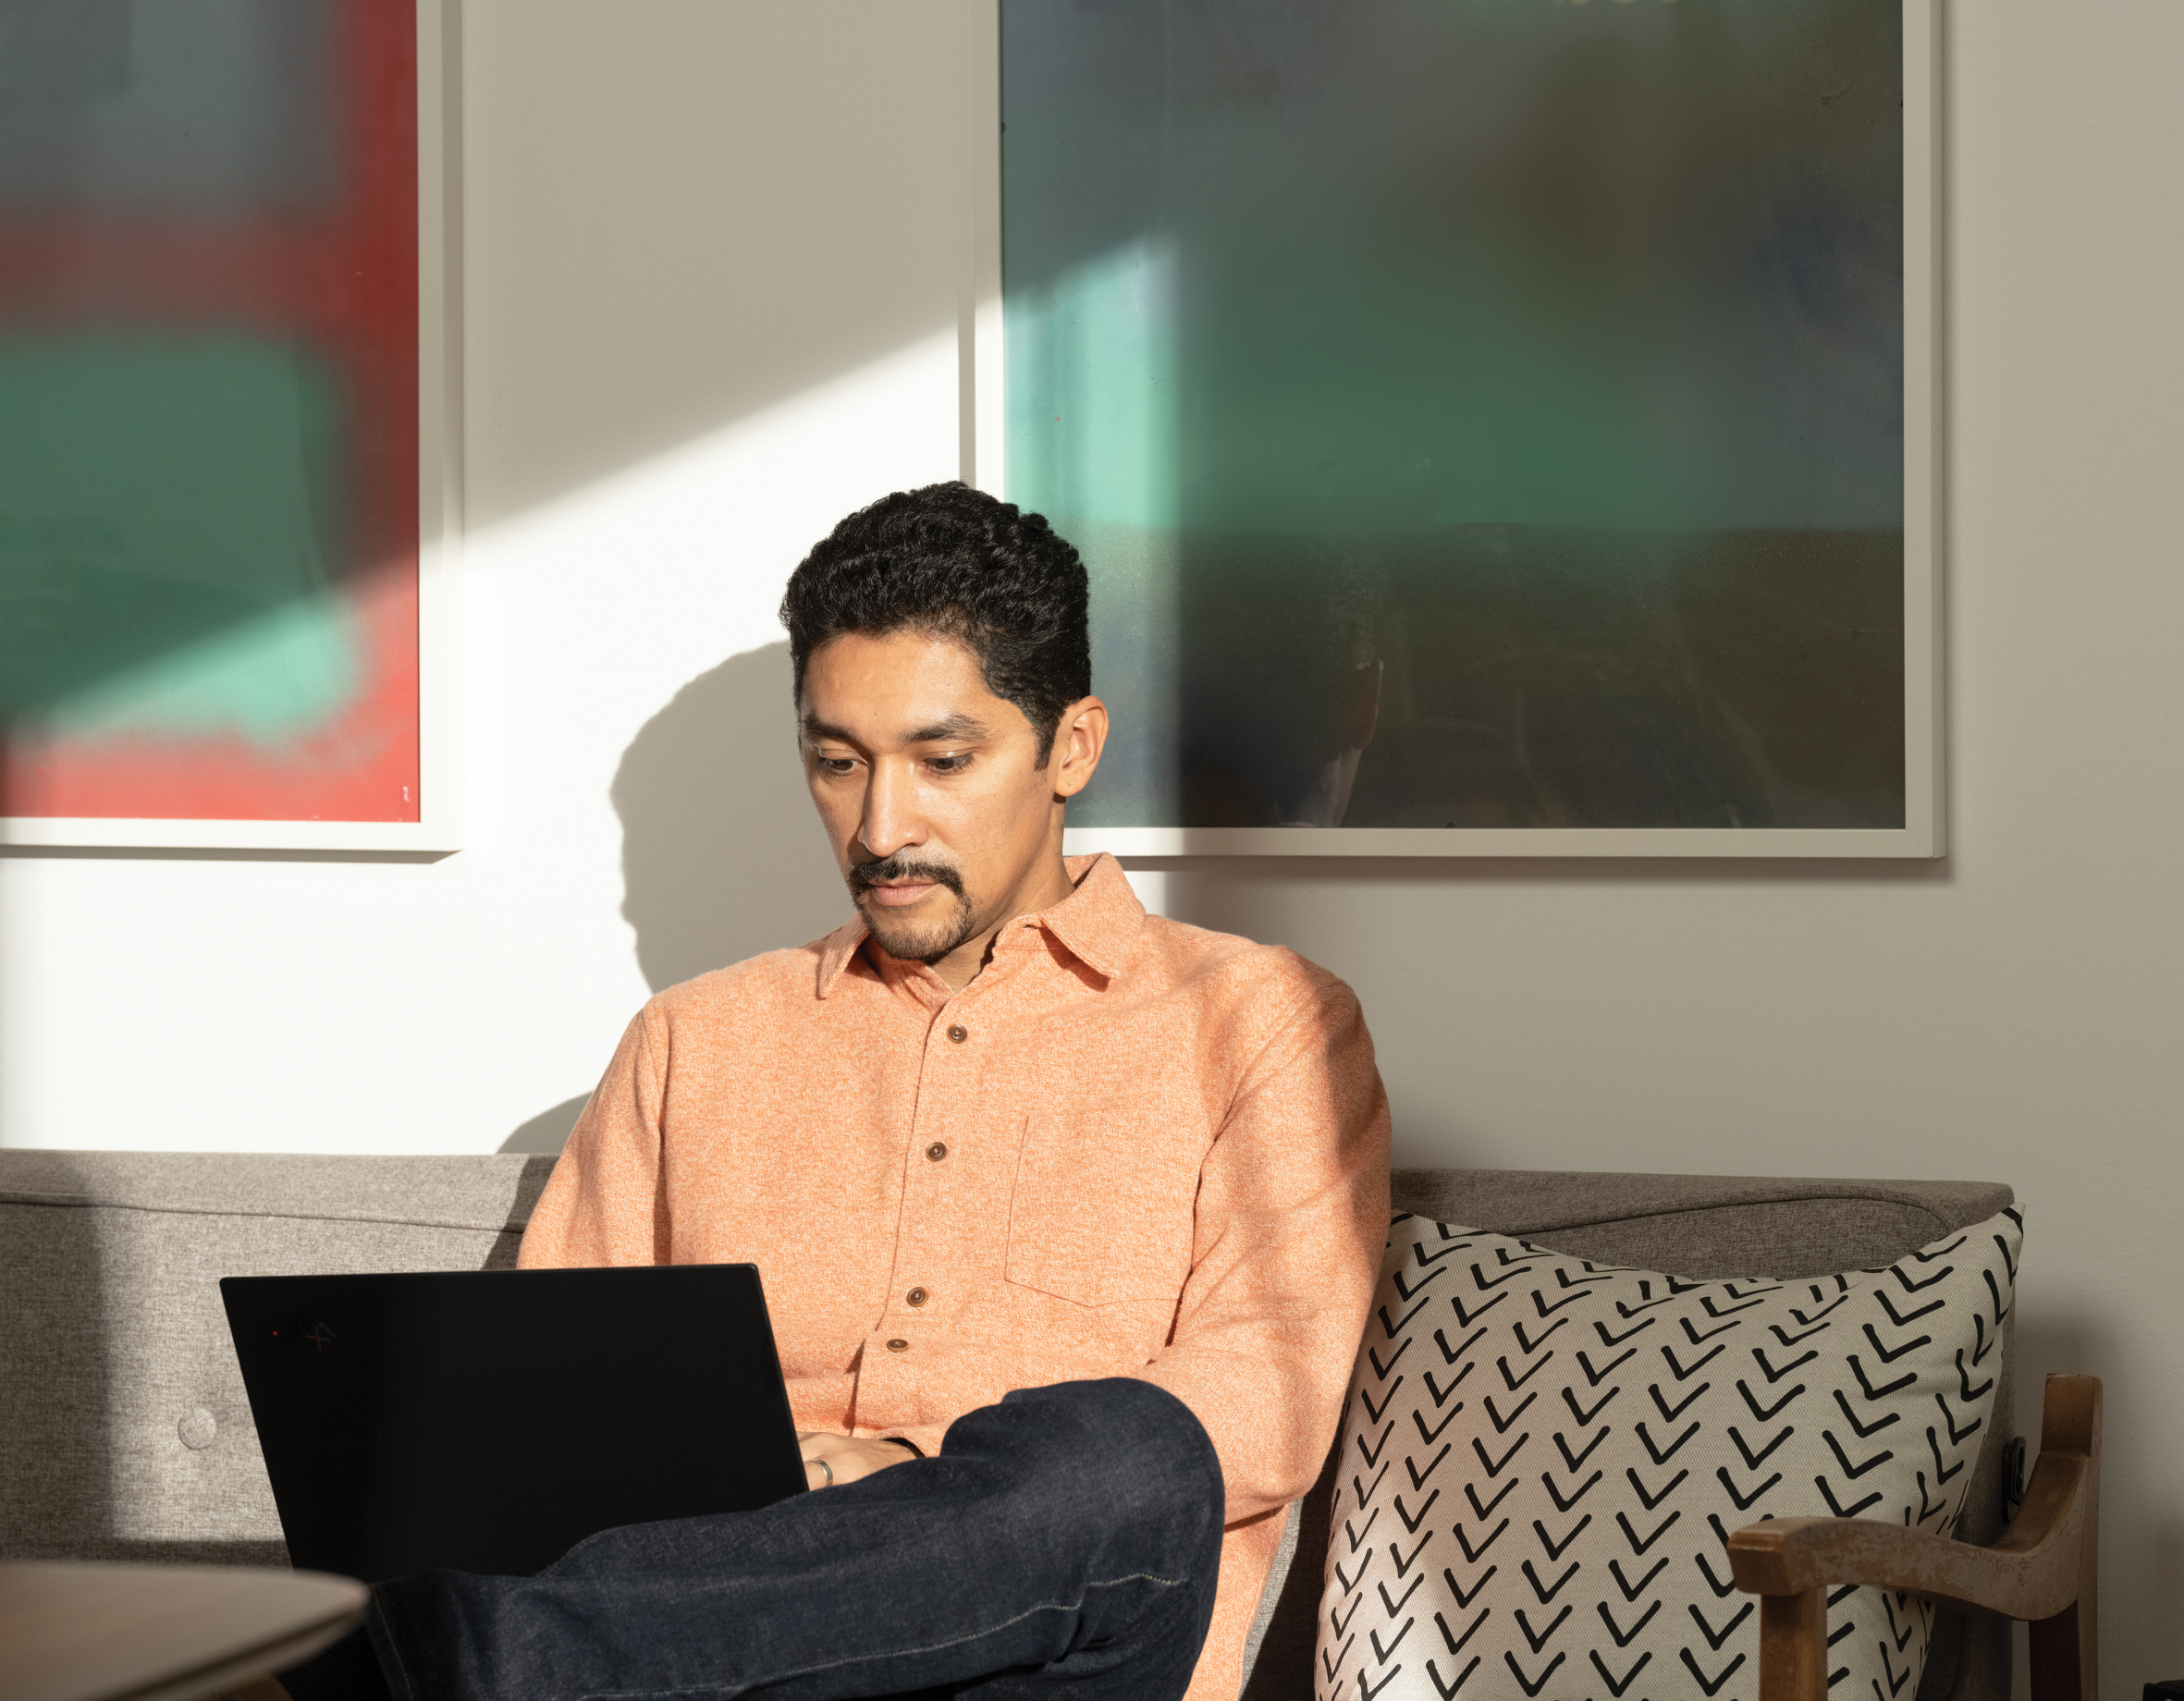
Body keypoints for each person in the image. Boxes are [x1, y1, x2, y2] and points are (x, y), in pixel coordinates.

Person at [267, 482, 1391, 1701]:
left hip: (1047, 1666)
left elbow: (1267, 1402)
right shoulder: (692, 1040)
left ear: (1072, 746)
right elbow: (555, 1426)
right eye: (835, 761)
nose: (880, 825)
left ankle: (422, 1669)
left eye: (942, 760)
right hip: (711, 1667)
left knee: (1134, 1455)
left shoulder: (1263, 1021)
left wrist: (904, 1473)